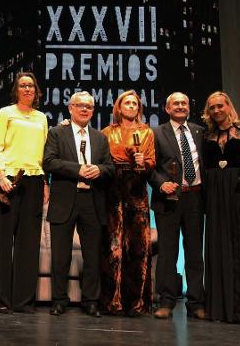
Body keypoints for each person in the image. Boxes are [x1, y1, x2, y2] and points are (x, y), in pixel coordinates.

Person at [43, 91, 114, 317]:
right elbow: (49, 162)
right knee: (60, 255)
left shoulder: (100, 137)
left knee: (92, 255)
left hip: (92, 202)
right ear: (70, 108)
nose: (84, 110)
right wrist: (78, 169)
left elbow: (110, 168)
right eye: (80, 105)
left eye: (89, 107)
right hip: (65, 200)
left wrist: (99, 170)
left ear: (93, 111)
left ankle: (91, 301)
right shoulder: (56, 133)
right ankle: (59, 300)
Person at [0, 72, 49, 314]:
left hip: (34, 180)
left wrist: (45, 181)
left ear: (36, 91)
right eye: (23, 85)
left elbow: (44, 151)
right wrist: (1, 175)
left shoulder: (42, 118)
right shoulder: (6, 113)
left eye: (31, 86)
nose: (27, 89)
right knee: (3, 242)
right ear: (16, 89)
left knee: (28, 243)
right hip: (9, 179)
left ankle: (24, 301)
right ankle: (0, 299)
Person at [201, 91, 240, 323]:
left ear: (229, 106)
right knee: (217, 243)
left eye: (220, 106)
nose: (216, 110)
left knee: (238, 241)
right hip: (215, 193)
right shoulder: (207, 134)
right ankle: (218, 307)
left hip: (238, 189)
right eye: (212, 107)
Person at [149, 92, 206, 319]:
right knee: (167, 253)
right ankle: (166, 302)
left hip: (195, 198)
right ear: (167, 108)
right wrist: (161, 185)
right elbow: (150, 167)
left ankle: (196, 303)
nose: (180, 106)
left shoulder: (200, 132)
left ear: (189, 108)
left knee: (194, 253)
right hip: (168, 200)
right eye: (176, 104)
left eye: (184, 103)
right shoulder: (155, 133)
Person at [100, 90, 155, 316]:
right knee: (113, 246)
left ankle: (137, 302)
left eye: (135, 103)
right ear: (118, 107)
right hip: (112, 186)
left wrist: (144, 163)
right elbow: (102, 160)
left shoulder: (147, 132)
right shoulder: (106, 132)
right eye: (127, 103)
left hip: (136, 186)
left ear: (139, 108)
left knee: (138, 246)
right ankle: (112, 301)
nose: (131, 106)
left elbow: (152, 162)